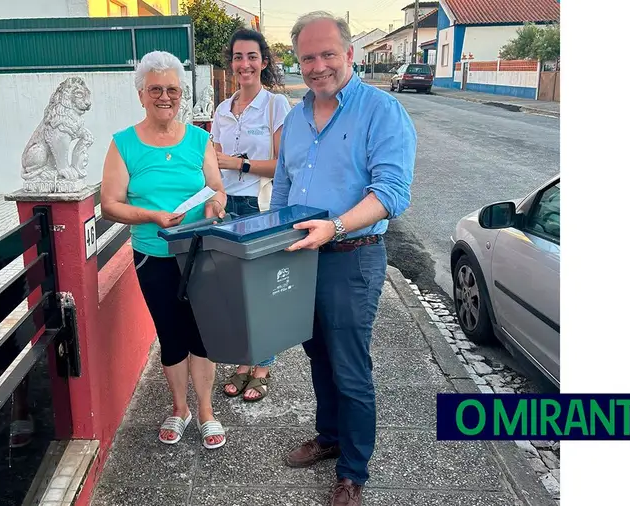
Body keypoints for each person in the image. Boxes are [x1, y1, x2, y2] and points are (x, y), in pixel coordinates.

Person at [272, 11, 416, 506]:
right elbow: (284, 189)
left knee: (350, 367)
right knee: (316, 357)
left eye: (328, 54)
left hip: (353, 257)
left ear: (349, 54)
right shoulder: (295, 116)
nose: (318, 66)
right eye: (307, 57)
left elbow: (392, 192)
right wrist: (273, 245)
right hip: (302, 257)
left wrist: (335, 226)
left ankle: (353, 472)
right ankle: (329, 437)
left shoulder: (381, 111)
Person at [100, 50, 229, 450]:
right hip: (153, 256)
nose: (165, 96)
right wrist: (151, 215)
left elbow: (218, 189)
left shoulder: (199, 139)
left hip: (201, 254)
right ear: (141, 94)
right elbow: (110, 204)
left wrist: (216, 203)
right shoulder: (123, 144)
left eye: (172, 89)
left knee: (201, 334)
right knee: (170, 335)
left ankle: (206, 411)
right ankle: (180, 408)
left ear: (181, 95)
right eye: (155, 89)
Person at [210, 28, 292, 402]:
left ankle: (263, 365)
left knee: (264, 290)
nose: (245, 64)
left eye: (252, 57)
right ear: (231, 63)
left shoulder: (276, 106)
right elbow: (212, 165)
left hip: (260, 207)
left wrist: (236, 164)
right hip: (228, 208)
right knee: (234, 291)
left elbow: (281, 166)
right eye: (238, 57)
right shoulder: (221, 111)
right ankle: (244, 360)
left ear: (263, 61)